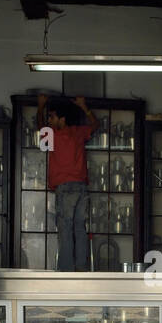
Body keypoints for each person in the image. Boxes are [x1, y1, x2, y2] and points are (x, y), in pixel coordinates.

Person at [37, 93, 99, 271]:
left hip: (65, 188)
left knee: (65, 230)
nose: (49, 120)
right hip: (81, 187)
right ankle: (81, 268)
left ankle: (65, 271)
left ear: (61, 119)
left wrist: (40, 106)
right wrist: (84, 106)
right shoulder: (78, 132)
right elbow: (96, 125)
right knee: (80, 228)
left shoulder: (53, 135)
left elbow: (40, 127)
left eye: (52, 116)